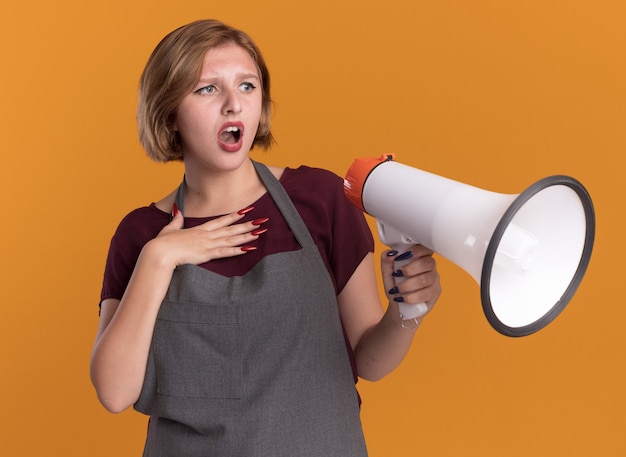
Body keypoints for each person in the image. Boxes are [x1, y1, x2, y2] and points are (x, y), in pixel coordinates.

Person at [90, 19, 441, 456]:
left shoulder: (321, 199)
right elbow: (114, 391)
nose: (233, 105)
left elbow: (368, 361)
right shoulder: (142, 234)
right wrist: (159, 258)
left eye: (248, 86)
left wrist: (407, 312)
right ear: (169, 114)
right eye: (207, 89)